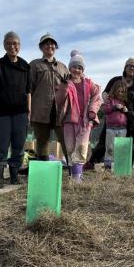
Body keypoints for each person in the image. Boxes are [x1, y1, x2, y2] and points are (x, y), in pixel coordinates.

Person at [86, 58, 134, 167]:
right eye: (129, 66)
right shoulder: (116, 80)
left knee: (127, 143)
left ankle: (124, 164)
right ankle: (92, 161)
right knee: (104, 140)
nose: (132, 68)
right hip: (113, 116)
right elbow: (105, 92)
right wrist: (108, 100)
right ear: (125, 67)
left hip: (129, 117)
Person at [0, 31, 32, 188]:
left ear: (20, 45)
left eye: (15, 43)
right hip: (2, 113)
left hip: (21, 113)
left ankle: (14, 176)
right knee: (2, 146)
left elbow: (28, 92)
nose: (13, 46)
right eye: (9, 43)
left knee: (19, 146)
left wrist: (29, 111)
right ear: (4, 45)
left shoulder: (26, 66)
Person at [55, 50, 102, 181]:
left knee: (81, 147)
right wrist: (64, 87)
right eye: (75, 67)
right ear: (70, 68)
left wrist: (92, 110)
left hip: (85, 121)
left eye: (80, 68)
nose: (77, 70)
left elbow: (97, 96)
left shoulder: (88, 83)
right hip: (69, 120)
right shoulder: (65, 82)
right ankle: (73, 174)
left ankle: (77, 177)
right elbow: (58, 101)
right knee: (70, 147)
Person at [29, 33, 69, 162]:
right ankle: (44, 168)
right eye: (46, 44)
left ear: (55, 47)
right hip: (40, 109)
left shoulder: (63, 67)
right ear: (41, 47)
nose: (49, 46)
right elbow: (29, 89)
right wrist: (29, 109)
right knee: (42, 141)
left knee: (65, 139)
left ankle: (72, 170)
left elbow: (70, 89)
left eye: (52, 43)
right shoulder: (34, 65)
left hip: (60, 111)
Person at [101, 79, 128, 170]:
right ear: (114, 90)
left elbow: (129, 113)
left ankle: (118, 166)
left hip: (123, 128)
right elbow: (104, 110)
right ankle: (108, 166)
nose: (120, 93)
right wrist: (114, 107)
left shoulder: (125, 101)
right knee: (110, 148)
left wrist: (126, 110)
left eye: (122, 91)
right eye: (118, 91)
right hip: (111, 128)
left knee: (120, 148)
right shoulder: (109, 100)